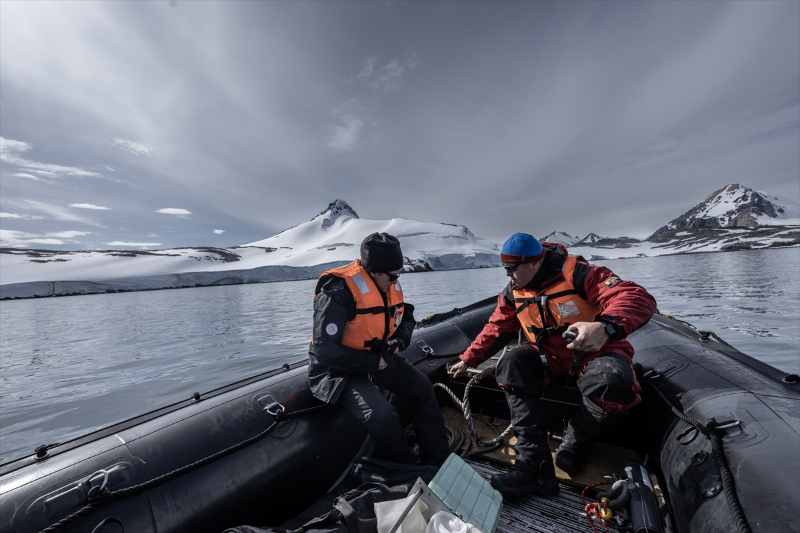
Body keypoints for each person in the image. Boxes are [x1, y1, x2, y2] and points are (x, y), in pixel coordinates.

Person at [450, 233, 656, 496]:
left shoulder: (581, 273)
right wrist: (469, 358)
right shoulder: (513, 292)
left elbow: (635, 296)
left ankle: (577, 437)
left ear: (534, 263)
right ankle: (533, 467)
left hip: (593, 353)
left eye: (512, 268)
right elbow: (496, 328)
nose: (507, 274)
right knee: (512, 361)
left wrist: (605, 327)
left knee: (614, 382)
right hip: (548, 359)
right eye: (505, 268)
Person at [308, 232, 449, 467]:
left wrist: (399, 342)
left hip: (375, 357)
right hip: (337, 370)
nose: (396, 281)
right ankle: (405, 469)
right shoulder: (337, 291)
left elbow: (407, 316)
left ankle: (437, 463)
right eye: (393, 277)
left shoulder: (386, 284)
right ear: (374, 272)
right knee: (381, 415)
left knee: (422, 388)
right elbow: (326, 351)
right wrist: (374, 363)